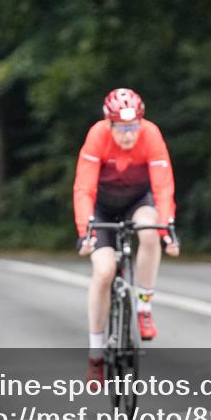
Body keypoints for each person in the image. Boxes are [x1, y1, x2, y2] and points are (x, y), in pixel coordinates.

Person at [73, 88, 179, 385]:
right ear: (109, 124)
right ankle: (96, 355)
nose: (129, 135)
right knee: (104, 272)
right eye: (122, 128)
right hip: (102, 207)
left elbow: (163, 187)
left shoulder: (150, 134)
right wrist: (85, 231)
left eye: (133, 127)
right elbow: (84, 188)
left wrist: (167, 228)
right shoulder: (98, 135)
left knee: (150, 229)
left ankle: (143, 305)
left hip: (136, 201)